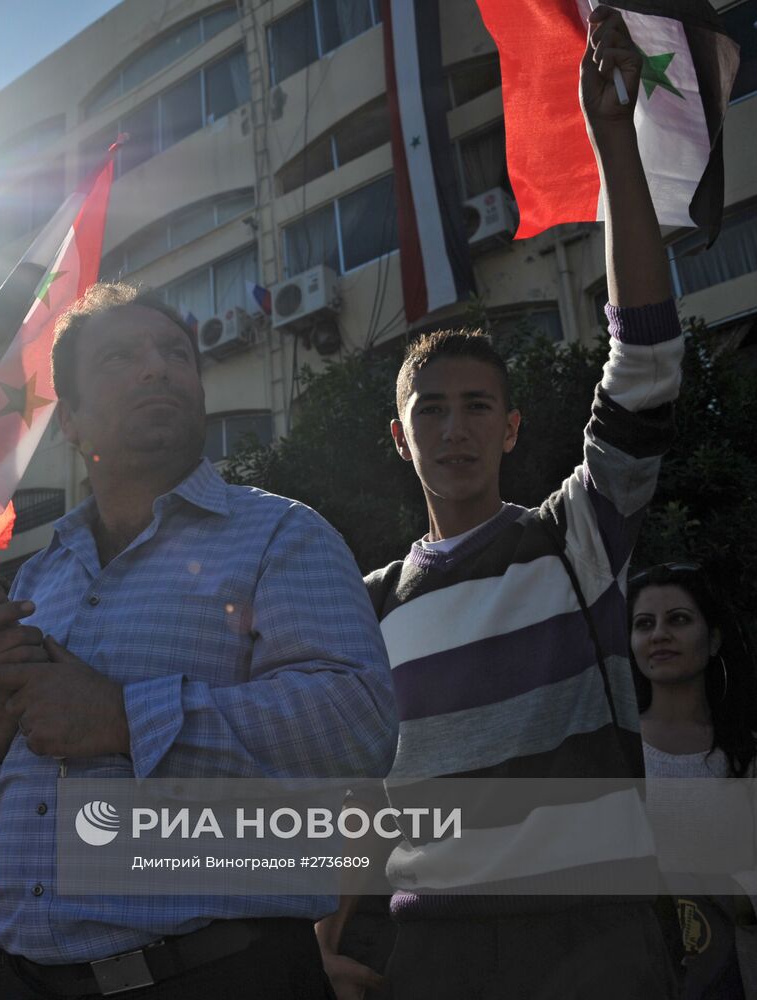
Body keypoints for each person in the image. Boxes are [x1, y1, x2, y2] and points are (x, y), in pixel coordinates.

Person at [320, 9, 687, 999]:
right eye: (430, 412)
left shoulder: (579, 537)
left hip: (601, 943)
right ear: (401, 440)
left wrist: (616, 141)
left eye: (478, 406)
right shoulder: (364, 606)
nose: (455, 429)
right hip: (432, 955)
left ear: (514, 428)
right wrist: (327, 939)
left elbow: (646, 364)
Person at [0, 279, 396, 998]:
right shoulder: (37, 580)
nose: (157, 368)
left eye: (175, 353)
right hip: (19, 979)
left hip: (219, 974)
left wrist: (123, 717)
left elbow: (355, 727)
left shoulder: (280, 533)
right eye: (120, 358)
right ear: (72, 422)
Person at [629, 563, 757, 999]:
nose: (659, 634)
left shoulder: (746, 758)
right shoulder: (614, 754)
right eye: (644, 624)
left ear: (714, 637)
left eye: (678, 619)